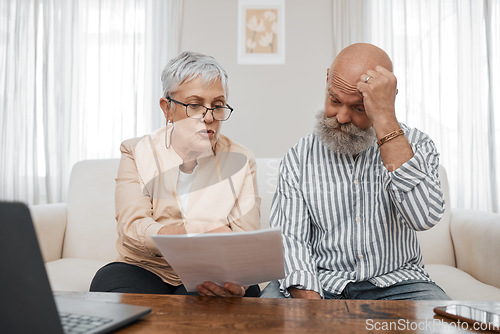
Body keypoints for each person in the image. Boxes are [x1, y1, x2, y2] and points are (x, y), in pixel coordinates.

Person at [261, 43, 450, 300]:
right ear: (328, 80)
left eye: (359, 108)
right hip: (320, 281)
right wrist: (312, 312)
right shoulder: (298, 156)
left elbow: (423, 218)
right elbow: (291, 240)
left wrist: (385, 119)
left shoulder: (419, 145)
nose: (340, 117)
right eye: (334, 100)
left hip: (399, 282)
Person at [90, 51, 261, 297]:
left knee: (241, 295)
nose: (209, 117)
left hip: (209, 269)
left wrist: (239, 280)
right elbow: (133, 227)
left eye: (218, 106)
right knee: (108, 281)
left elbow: (246, 239)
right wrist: (193, 231)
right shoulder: (136, 151)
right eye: (195, 105)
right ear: (167, 108)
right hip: (146, 266)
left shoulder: (241, 159)